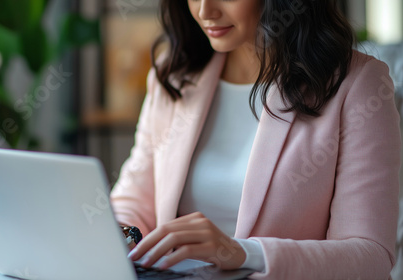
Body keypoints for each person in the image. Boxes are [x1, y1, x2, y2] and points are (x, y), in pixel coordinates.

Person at [110, 0, 401, 279]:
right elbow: (135, 202)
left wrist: (243, 254)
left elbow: (370, 255)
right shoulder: (174, 75)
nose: (205, 11)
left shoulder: (358, 83)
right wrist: (114, 233)